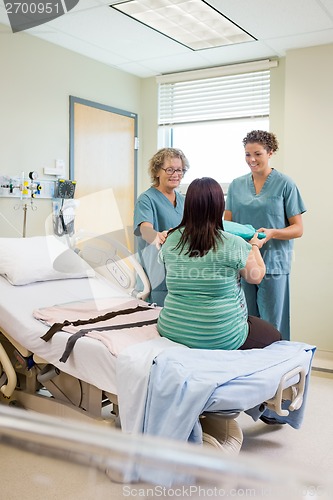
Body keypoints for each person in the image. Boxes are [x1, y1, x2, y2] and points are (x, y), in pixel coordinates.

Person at [157, 177, 282, 350]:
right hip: (220, 335)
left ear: (188, 206)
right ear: (218, 207)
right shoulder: (232, 243)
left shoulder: (170, 239)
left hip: (172, 328)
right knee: (275, 336)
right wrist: (254, 246)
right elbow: (256, 276)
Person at [224, 130, 306, 340]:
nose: (251, 160)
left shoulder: (285, 184)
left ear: (270, 152)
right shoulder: (236, 185)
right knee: (246, 321)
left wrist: (273, 233)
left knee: (272, 324)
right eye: (247, 154)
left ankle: (278, 369)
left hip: (275, 263)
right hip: (244, 261)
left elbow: (298, 228)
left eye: (257, 154)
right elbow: (227, 224)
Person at [134, 148, 190, 306]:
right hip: (156, 276)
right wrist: (156, 236)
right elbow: (145, 230)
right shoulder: (146, 199)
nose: (175, 174)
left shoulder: (184, 201)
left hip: (181, 274)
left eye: (179, 170)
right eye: (170, 169)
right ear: (157, 171)